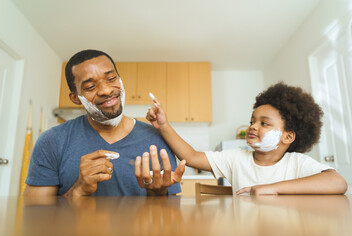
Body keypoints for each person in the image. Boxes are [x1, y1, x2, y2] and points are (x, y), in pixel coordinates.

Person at [24, 49, 185, 197]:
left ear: (120, 81)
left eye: (111, 78)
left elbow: (169, 215)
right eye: (90, 86)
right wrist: (78, 190)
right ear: (75, 98)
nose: (106, 90)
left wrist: (158, 194)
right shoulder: (51, 141)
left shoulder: (157, 139)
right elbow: (35, 214)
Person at [146, 83, 348, 195]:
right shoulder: (236, 159)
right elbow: (190, 156)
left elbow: (337, 182)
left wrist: (271, 189)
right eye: (252, 121)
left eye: (264, 123)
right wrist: (164, 125)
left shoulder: (296, 163)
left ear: (288, 136)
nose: (253, 126)